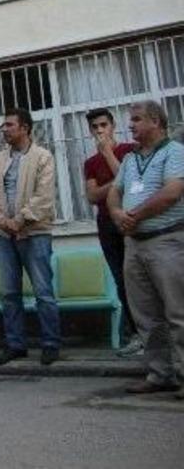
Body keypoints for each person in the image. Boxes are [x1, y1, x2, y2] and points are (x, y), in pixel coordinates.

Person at [107, 100, 184, 398]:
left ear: (156, 121)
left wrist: (133, 216)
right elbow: (115, 192)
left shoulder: (174, 152)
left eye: (137, 119)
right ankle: (159, 373)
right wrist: (116, 214)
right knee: (146, 315)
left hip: (167, 240)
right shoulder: (129, 159)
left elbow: (172, 192)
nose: (131, 125)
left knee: (177, 312)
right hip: (135, 245)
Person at [0, 107, 61, 366]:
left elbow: (44, 197)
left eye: (9, 125)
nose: (4, 129)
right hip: (5, 235)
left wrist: (20, 220)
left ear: (25, 128)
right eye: (3, 125)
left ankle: (50, 344)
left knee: (43, 291)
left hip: (35, 233)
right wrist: (4, 221)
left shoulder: (42, 157)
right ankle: (15, 344)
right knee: (9, 293)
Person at [82, 107, 141, 357]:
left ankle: (151, 332)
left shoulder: (128, 151)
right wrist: (115, 186)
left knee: (138, 277)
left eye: (103, 125)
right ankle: (136, 334)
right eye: (95, 127)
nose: (99, 131)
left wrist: (108, 154)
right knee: (120, 279)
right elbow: (92, 196)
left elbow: (131, 181)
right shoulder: (89, 163)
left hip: (131, 220)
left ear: (112, 125)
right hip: (106, 224)